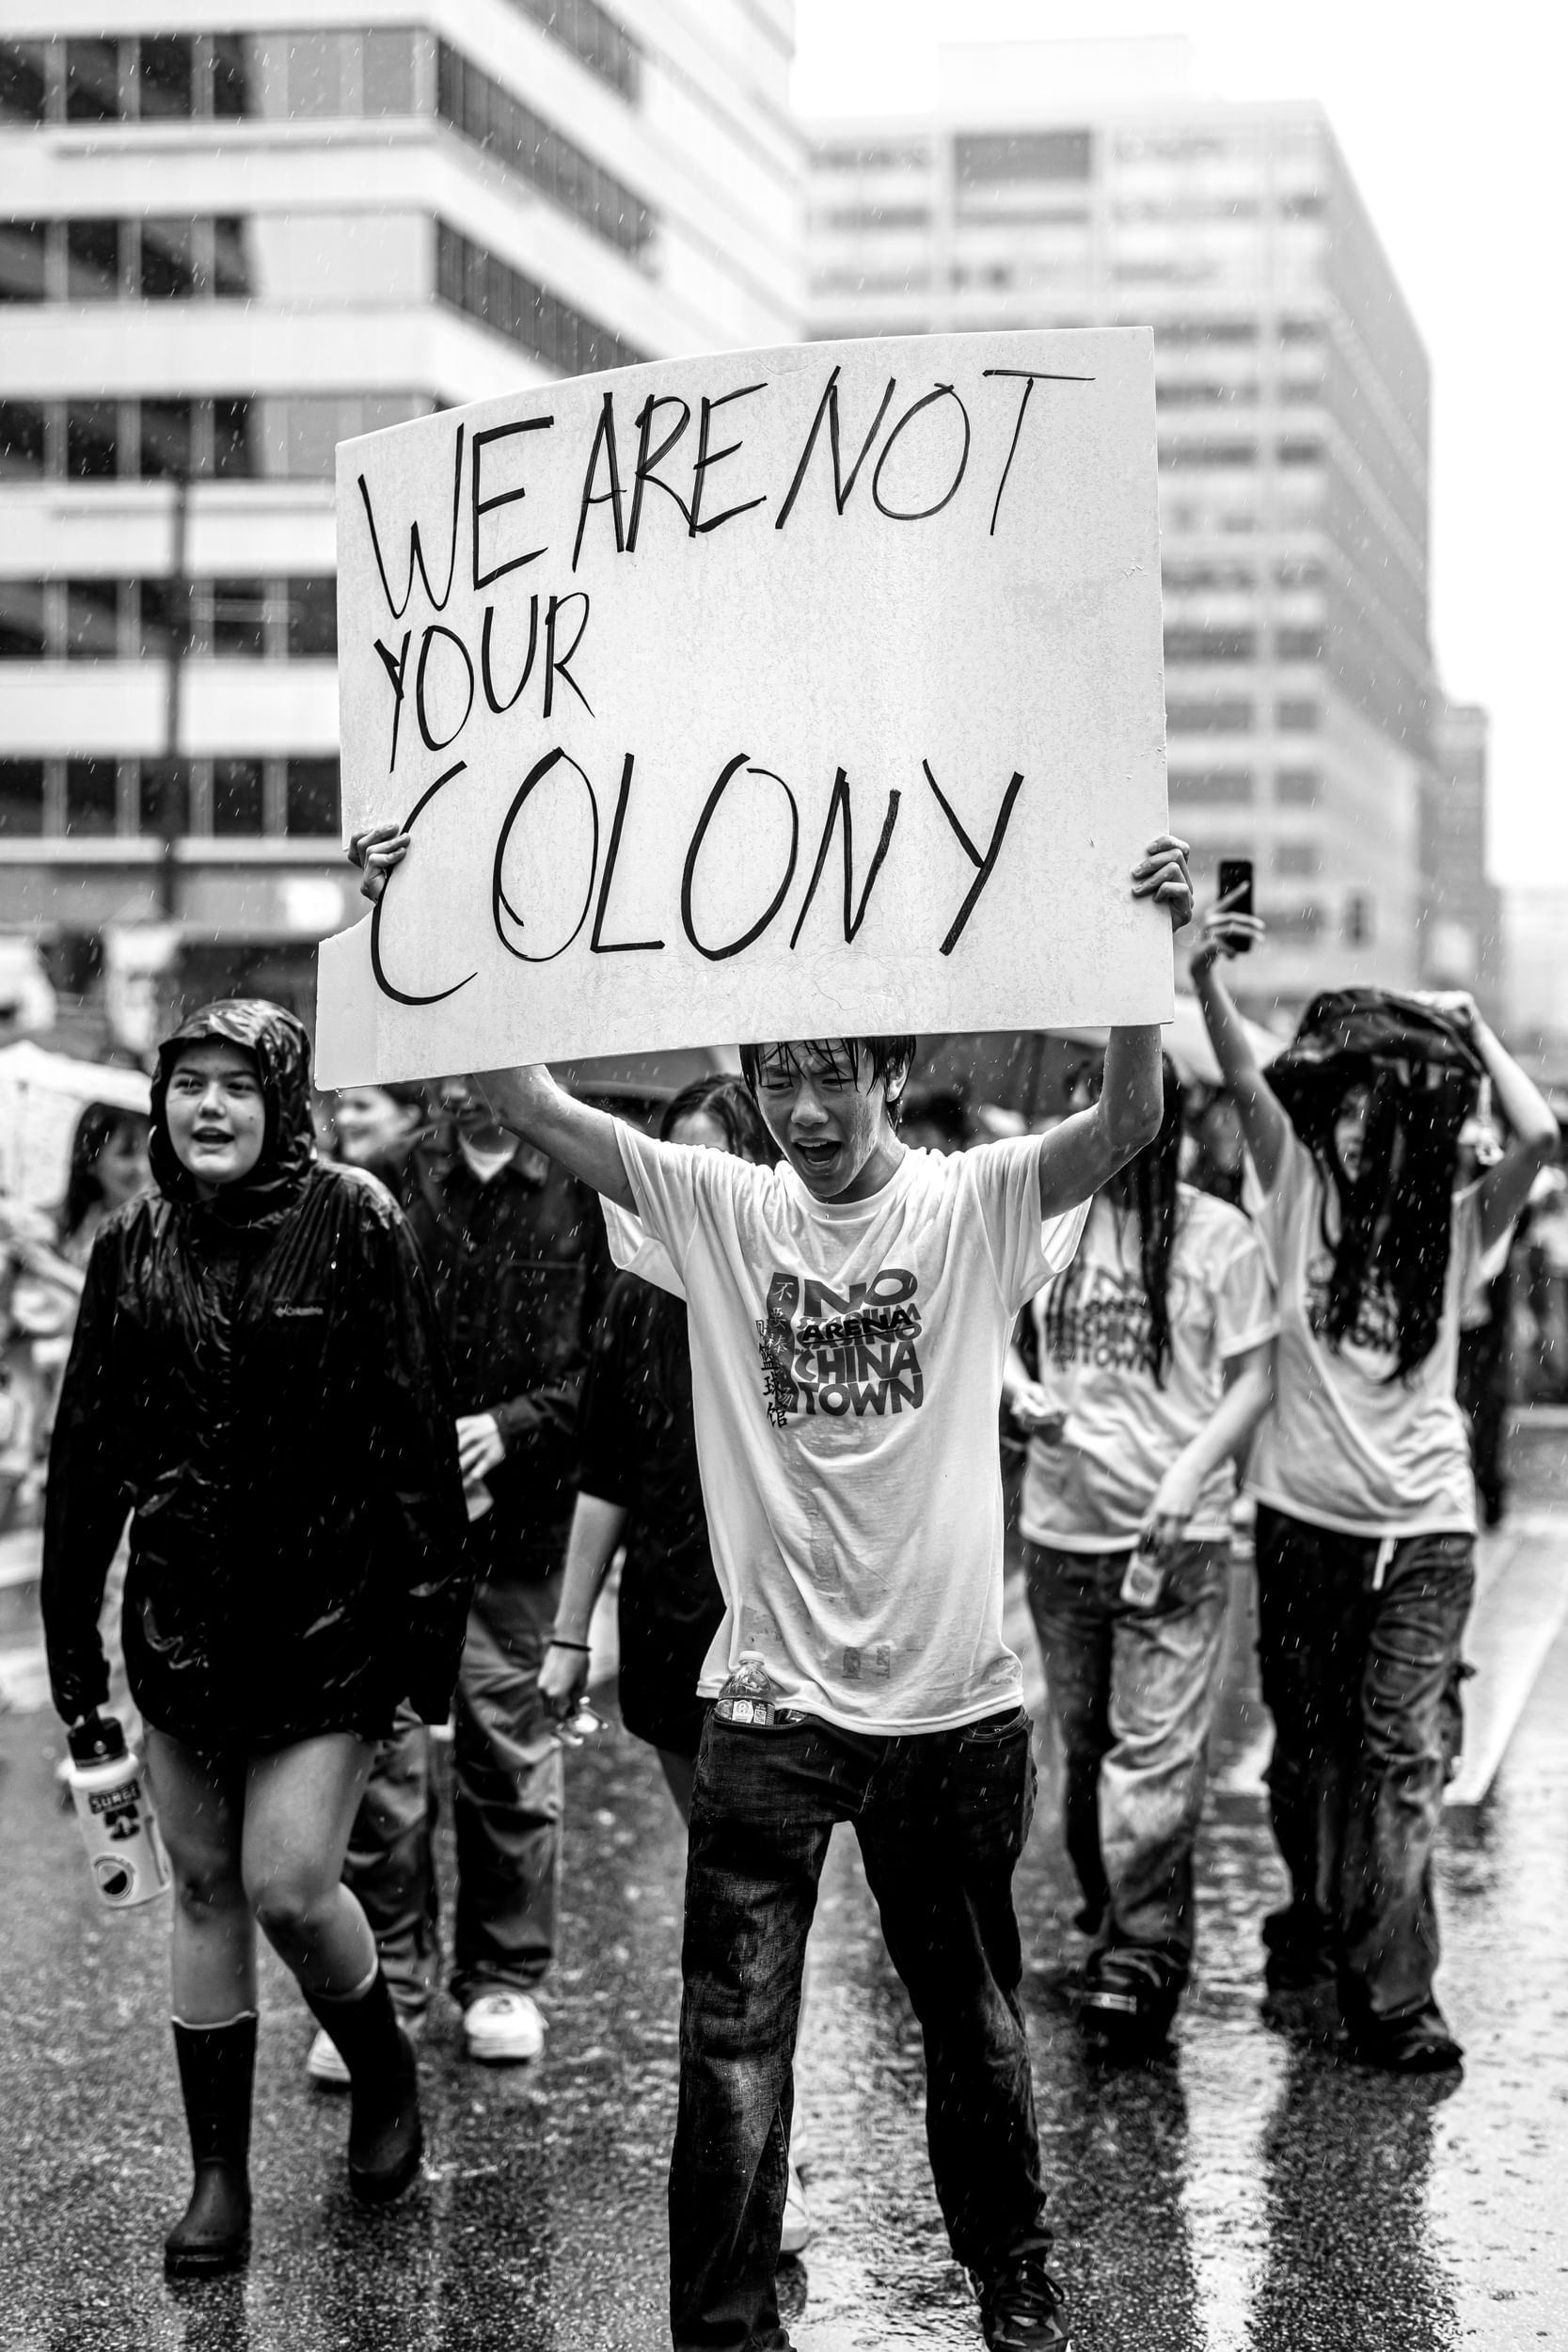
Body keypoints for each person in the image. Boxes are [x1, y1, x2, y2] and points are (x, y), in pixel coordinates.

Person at [352, 819, 1194, 2352]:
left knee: (973, 2025)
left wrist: (1142, 964)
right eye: (777, 1080)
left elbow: (1125, 1119)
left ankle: (1014, 2280)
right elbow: (519, 1098)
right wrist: (419, 907)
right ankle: (723, 2328)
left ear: (885, 1071)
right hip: (767, 1707)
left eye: (832, 1075)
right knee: (730, 2045)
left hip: (952, 1712)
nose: (804, 1110)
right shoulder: (719, 1209)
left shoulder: (971, 1202)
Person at [40, 1001, 469, 2274]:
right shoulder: (129, 1244)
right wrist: (77, 1665)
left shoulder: (356, 1221)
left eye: (237, 1084)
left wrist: (427, 1647)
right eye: (188, 1085)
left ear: (284, 1098)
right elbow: (86, 1464)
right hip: (178, 1630)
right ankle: (216, 2179)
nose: (209, 1108)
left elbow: (412, 1437)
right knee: (206, 1886)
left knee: (288, 1881)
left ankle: (386, 2069)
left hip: (329, 1625)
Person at [1192, 914, 1557, 2073]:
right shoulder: (1291, 1192)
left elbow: (1539, 1134)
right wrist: (1201, 972)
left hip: (1425, 1529)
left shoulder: (1450, 1229)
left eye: (1372, 1114)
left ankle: (1395, 1995)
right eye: (1339, 1111)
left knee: (1399, 1755)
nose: (1353, 1132)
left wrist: (1472, 1029)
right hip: (1304, 1528)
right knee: (1307, 1753)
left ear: (1405, 1124)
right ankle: (1314, 1911)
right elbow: (1243, 1074)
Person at [541, 1074, 819, 2254]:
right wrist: (566, 1632)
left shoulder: (796, 1287)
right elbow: (604, 1465)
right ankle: (744, 2148)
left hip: (781, 1630)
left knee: (757, 1912)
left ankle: (761, 2161)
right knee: (728, 1906)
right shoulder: (634, 1297)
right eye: (670, 1164)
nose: (681, 1190)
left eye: (708, 1165)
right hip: (665, 1627)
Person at [312, 1071, 610, 2083]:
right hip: (388, 1530)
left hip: (525, 1530)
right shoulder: (378, 1184)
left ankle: (504, 1976)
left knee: (510, 1759)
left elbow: (611, 1364)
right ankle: (385, 1980)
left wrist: (512, 1427)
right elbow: (335, 1349)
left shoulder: (584, 1183)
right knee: (379, 1761)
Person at [1012, 1053, 1275, 2055]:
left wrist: (1190, 1471)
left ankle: (1138, 1957)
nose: (1104, 1135)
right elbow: (986, 1322)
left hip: (1176, 1538)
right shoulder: (1048, 1215)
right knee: (1086, 1753)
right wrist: (1015, 1390)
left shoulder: (1218, 1234)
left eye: (1120, 1115)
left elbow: (1255, 1378)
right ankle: (1111, 1912)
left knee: (1153, 1758)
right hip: (1061, 1531)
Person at [333, 1081, 427, 1168]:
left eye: (361, 1106)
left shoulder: (431, 1180)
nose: (343, 1119)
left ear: (405, 1118)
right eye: (339, 1106)